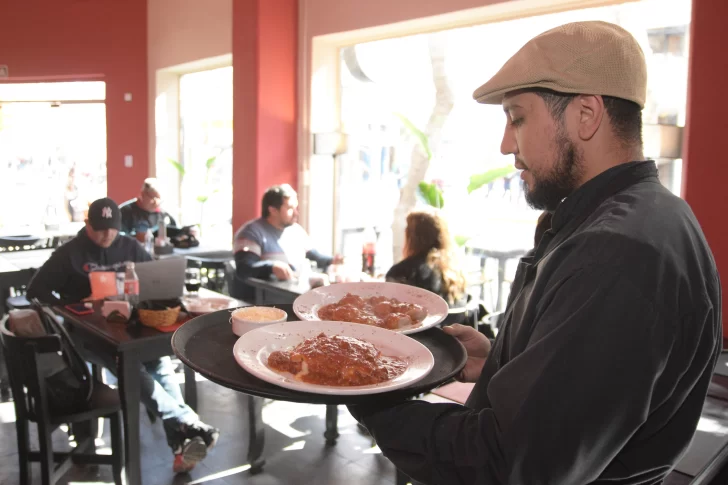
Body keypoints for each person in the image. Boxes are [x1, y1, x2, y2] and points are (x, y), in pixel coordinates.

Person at [347, 21, 721, 485]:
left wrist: (365, 388)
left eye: (517, 117)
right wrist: (500, 359)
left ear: (586, 115)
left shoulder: (617, 253)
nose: (507, 145)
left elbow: (510, 463)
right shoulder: (654, 215)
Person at [27, 198, 219, 474]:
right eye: (100, 229)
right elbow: (36, 291)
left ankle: (183, 439)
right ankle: (188, 422)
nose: (107, 236)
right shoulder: (69, 253)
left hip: (132, 326)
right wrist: (72, 305)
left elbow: (156, 279)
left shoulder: (130, 247)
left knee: (160, 364)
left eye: (113, 230)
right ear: (88, 225)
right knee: (131, 368)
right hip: (86, 334)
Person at [232, 184, 342, 301]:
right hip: (269, 301)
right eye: (290, 208)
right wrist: (272, 267)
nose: (296, 213)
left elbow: (314, 255)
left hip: (301, 294)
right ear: (273, 210)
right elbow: (244, 269)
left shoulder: (296, 230)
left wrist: (334, 260)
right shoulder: (251, 232)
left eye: (296, 208)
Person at [385, 208, 467, 307]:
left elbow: (391, 312)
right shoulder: (453, 269)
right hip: (452, 322)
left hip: (429, 322)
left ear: (412, 236)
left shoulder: (401, 272)